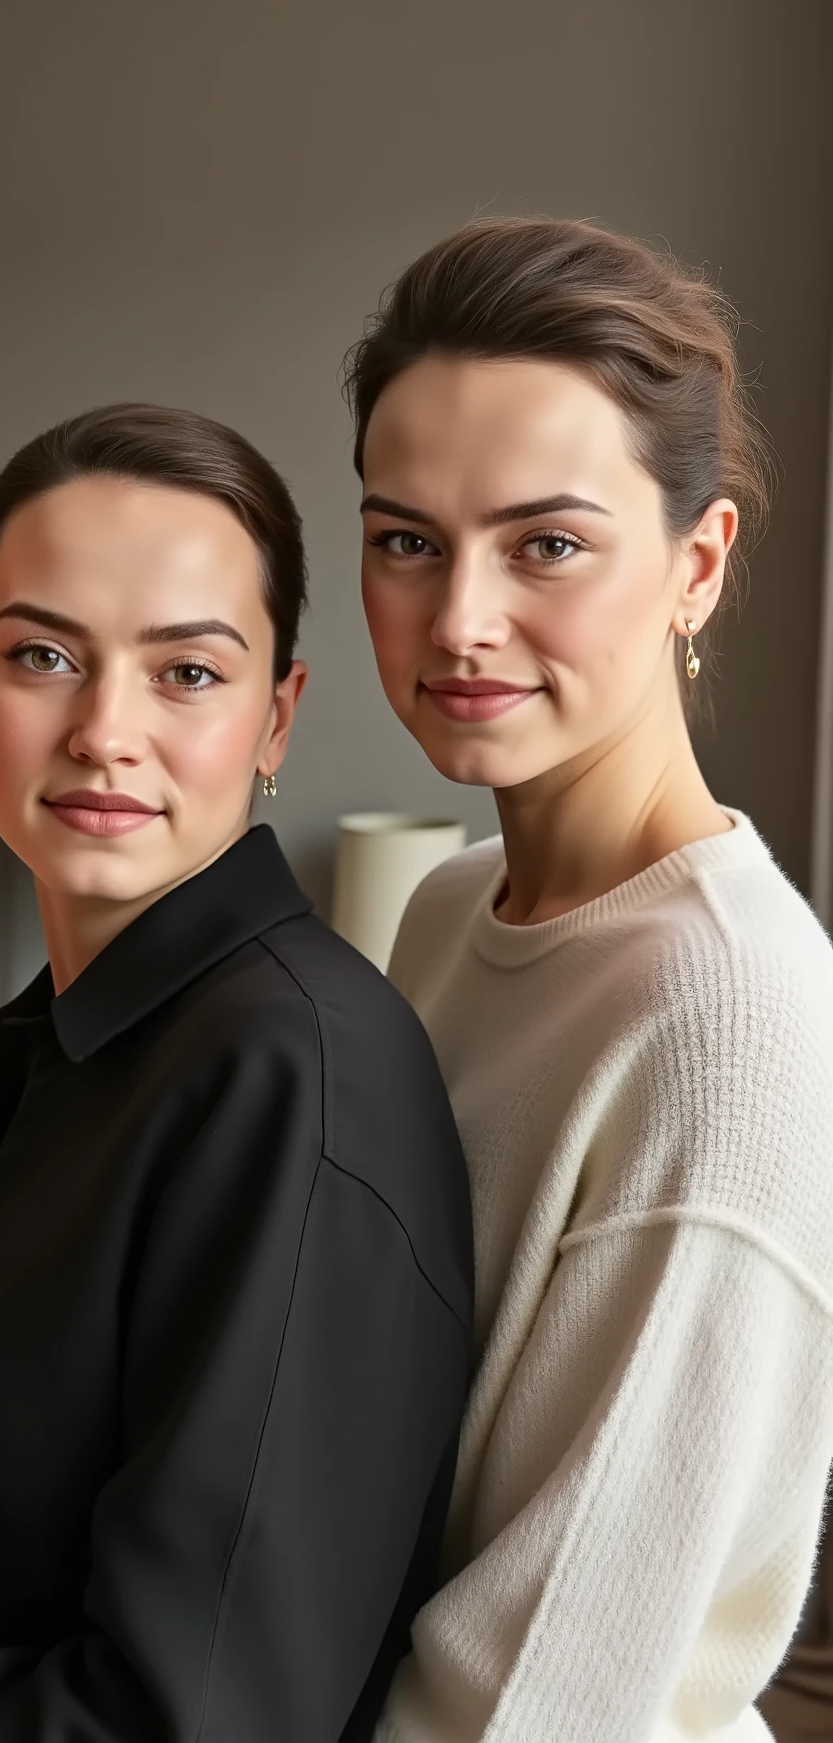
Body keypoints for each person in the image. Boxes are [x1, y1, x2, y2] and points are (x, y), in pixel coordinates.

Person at [0, 403, 472, 1742]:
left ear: (278, 716)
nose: (103, 731)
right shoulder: (72, 1037)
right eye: (44, 657)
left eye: (188, 674)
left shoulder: (289, 1074)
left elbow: (190, 1722)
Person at [345, 216, 833, 1741]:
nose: (459, 619)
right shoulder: (443, 911)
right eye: (406, 540)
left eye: (546, 544)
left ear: (697, 564)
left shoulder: (725, 1018)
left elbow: (547, 1691)